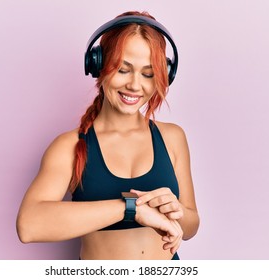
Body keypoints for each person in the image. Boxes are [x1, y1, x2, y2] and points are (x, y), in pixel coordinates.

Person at [16, 11, 199, 260]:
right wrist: (131, 210)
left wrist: (176, 212)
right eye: (123, 70)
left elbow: (191, 226)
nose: (135, 85)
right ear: (98, 66)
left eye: (148, 74)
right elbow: (29, 226)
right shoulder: (70, 145)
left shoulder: (173, 137)